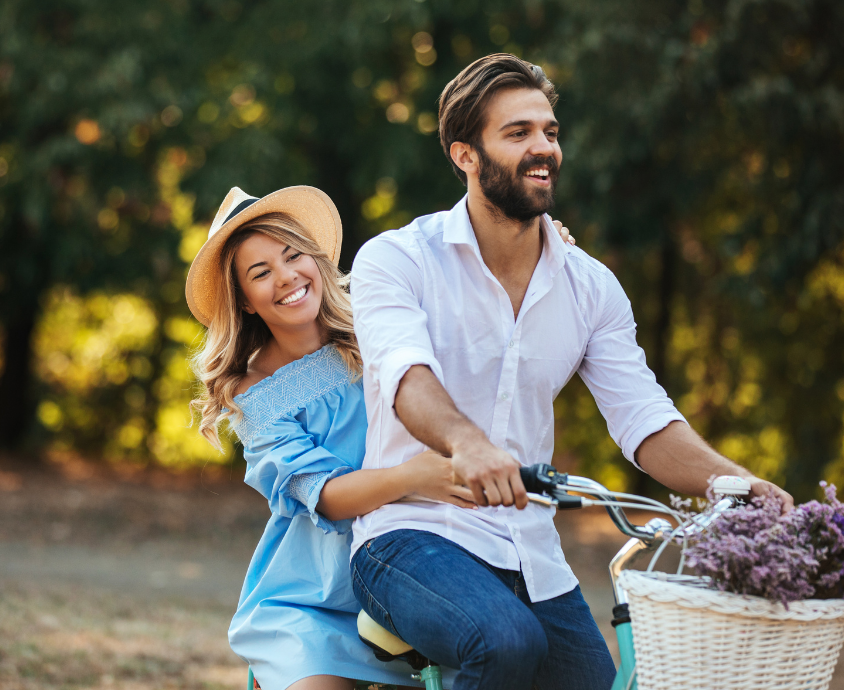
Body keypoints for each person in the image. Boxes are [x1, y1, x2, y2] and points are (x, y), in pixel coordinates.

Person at [349, 53, 795, 690]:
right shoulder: (397, 260)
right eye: (518, 133)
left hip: (531, 554)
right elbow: (405, 379)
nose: (543, 148)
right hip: (410, 536)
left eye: (550, 132)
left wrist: (737, 483)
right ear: (464, 155)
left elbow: (643, 419)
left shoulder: (591, 288)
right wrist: (468, 443)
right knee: (506, 643)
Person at [185, 185, 577, 690]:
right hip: (315, 597)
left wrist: (533, 258)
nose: (286, 277)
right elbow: (323, 497)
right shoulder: (257, 394)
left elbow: (481, 327)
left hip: (419, 571)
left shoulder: (379, 328)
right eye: (260, 273)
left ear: (316, 259)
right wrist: (414, 477)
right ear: (245, 299)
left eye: (293, 255)